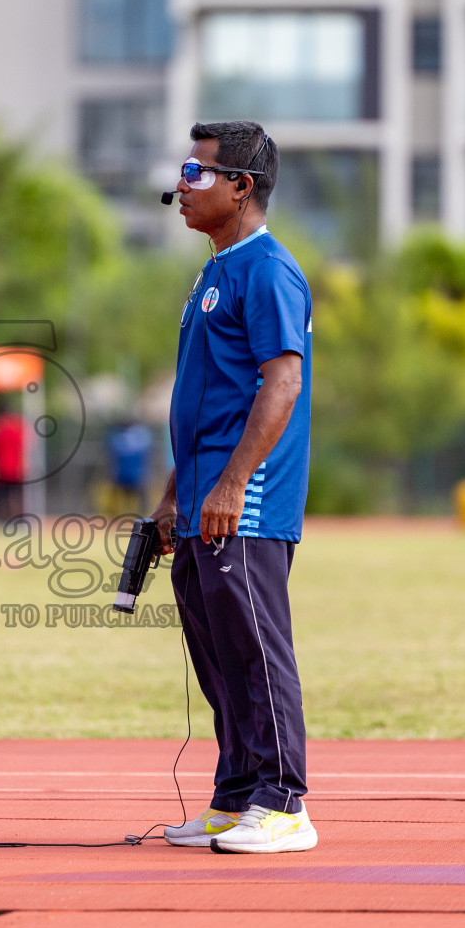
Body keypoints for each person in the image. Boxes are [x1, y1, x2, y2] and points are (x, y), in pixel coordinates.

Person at [150, 121, 317, 855]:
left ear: (241, 186)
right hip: (201, 498)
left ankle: (283, 802)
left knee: (254, 647)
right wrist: (172, 496)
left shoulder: (268, 270)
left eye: (197, 171)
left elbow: (282, 382)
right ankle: (237, 794)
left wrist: (231, 483)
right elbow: (203, 399)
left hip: (242, 503)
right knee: (215, 652)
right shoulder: (214, 271)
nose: (182, 186)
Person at [0, 404, 26, 519]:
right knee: (16, 495)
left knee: (2, 496)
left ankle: (3, 518)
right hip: (16, 469)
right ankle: (17, 518)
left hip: (0, 469)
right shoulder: (18, 428)